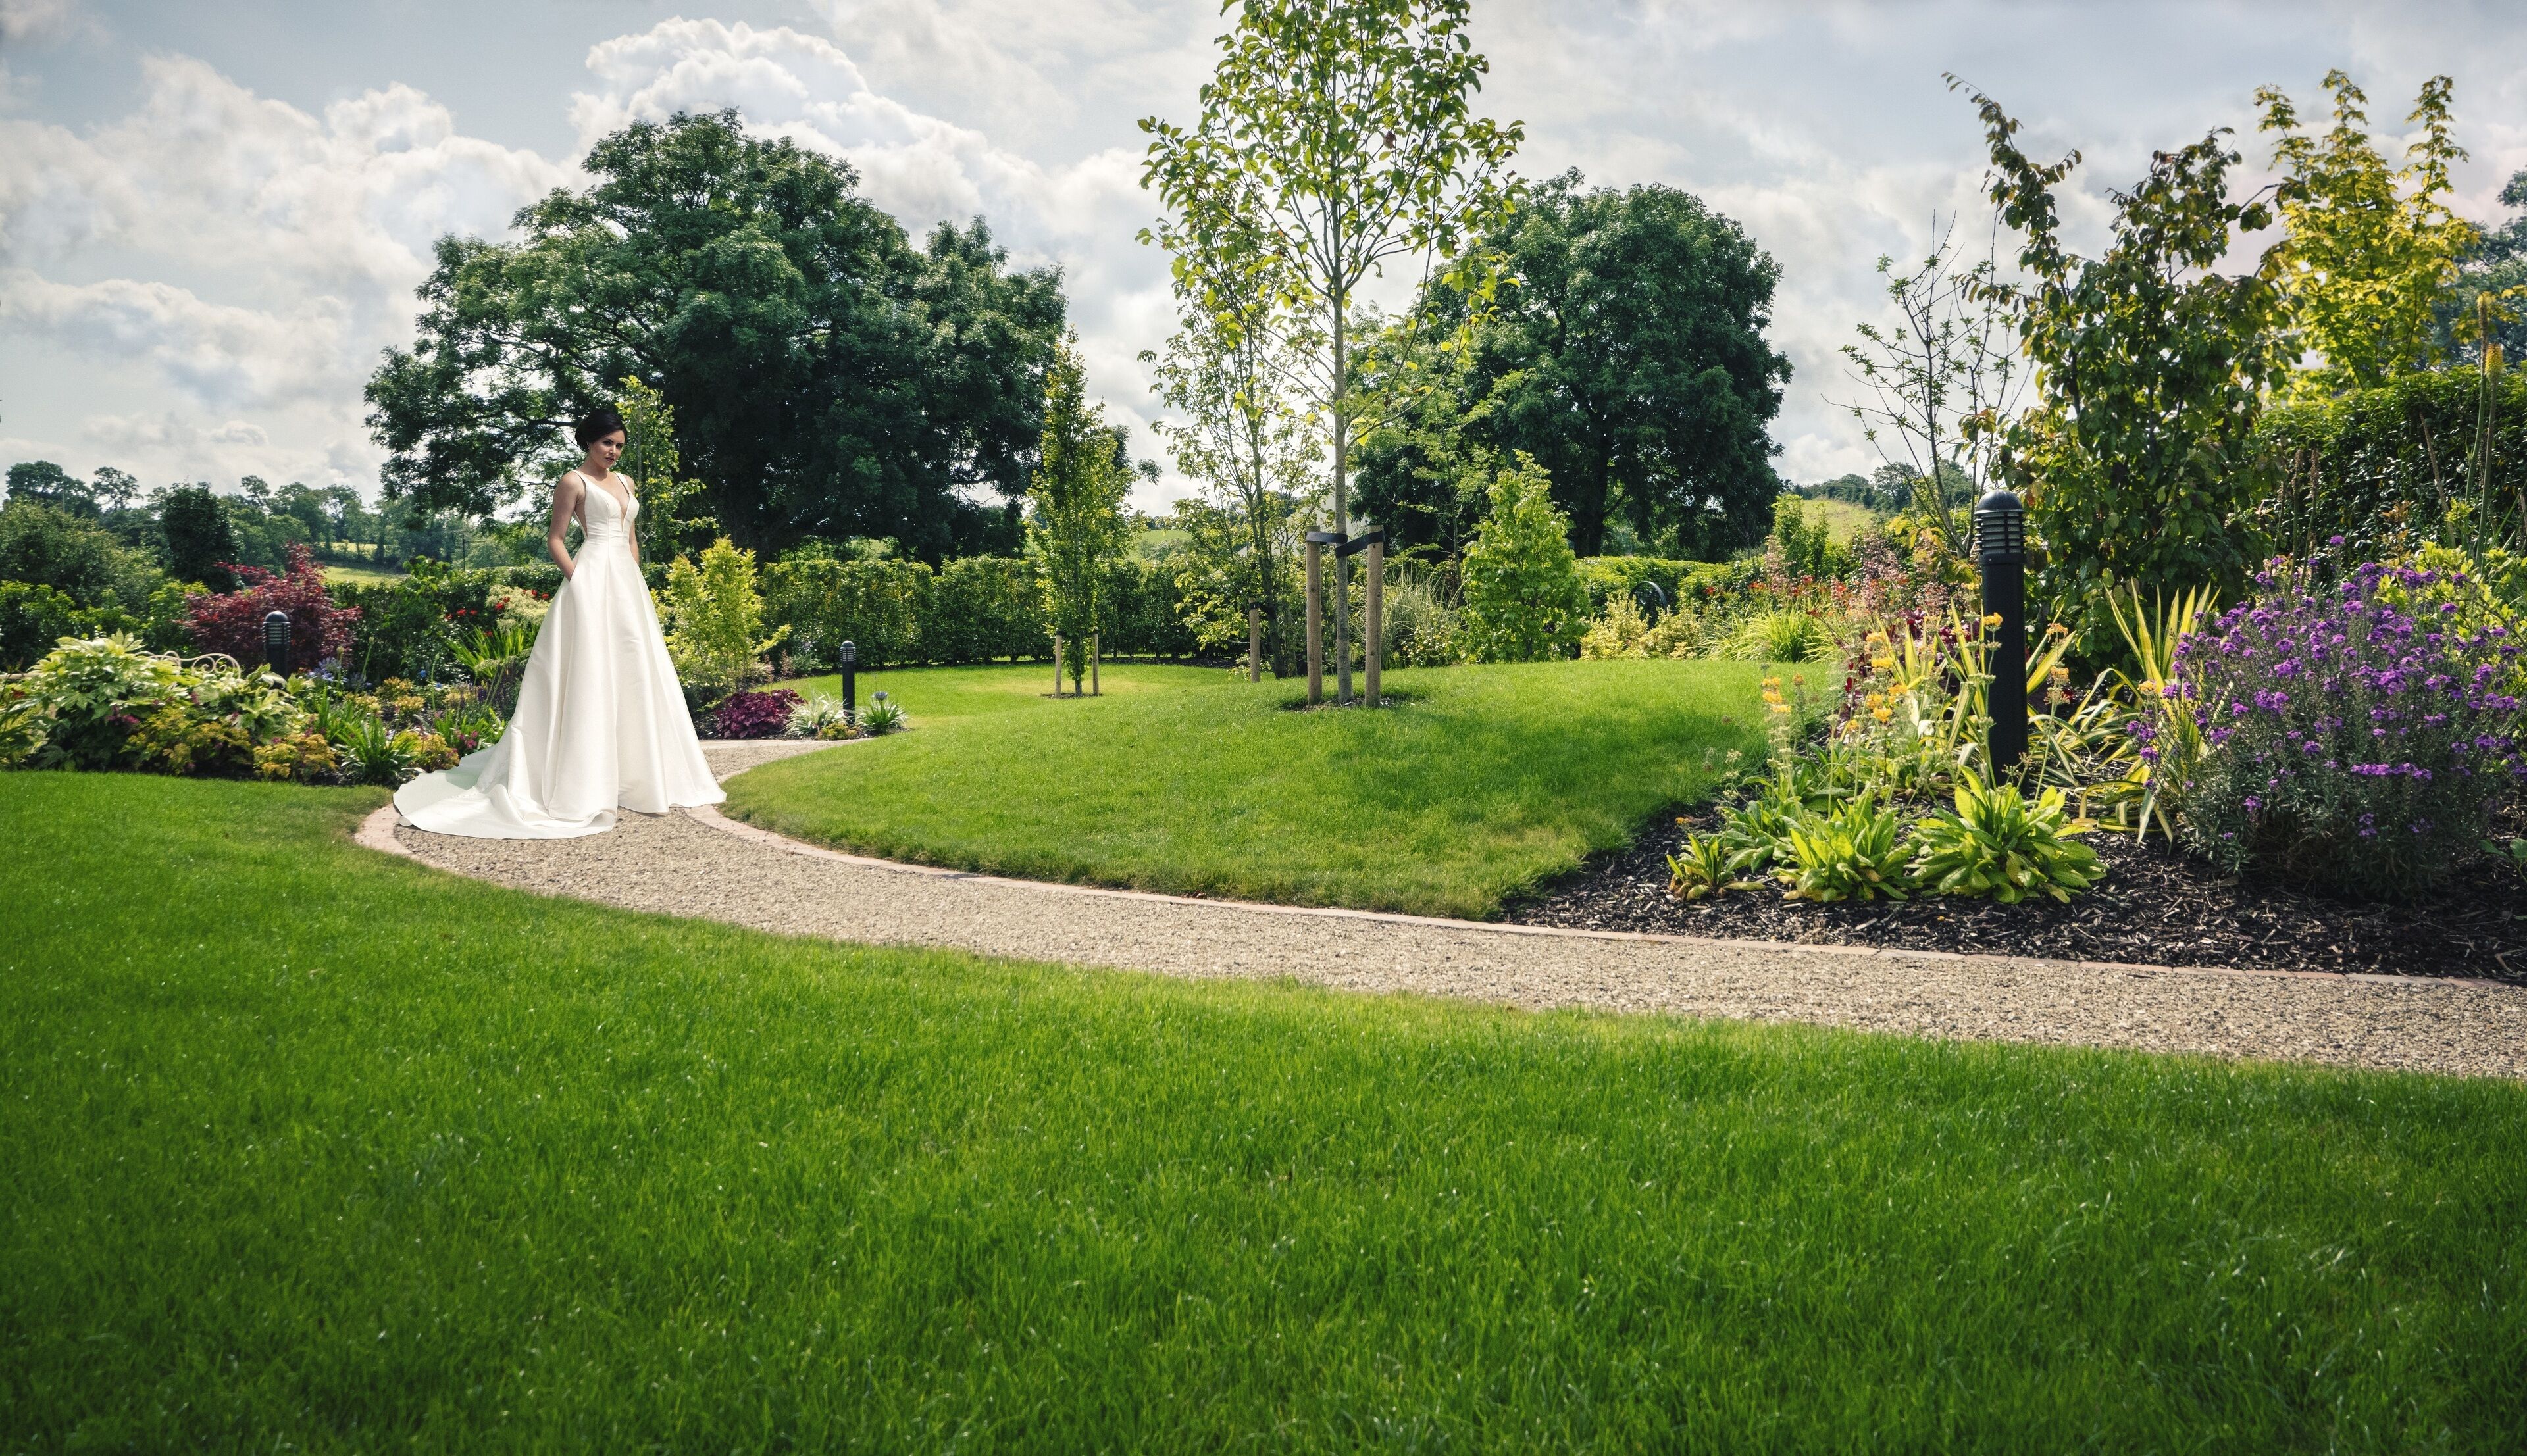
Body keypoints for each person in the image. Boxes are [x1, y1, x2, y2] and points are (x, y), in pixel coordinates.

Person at [395, 407, 723, 838]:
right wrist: (579, 581)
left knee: (636, 673)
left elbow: (631, 538)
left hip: (627, 586)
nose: (614, 452)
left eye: (620, 445)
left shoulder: (627, 482)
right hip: (589, 579)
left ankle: (640, 779)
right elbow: (555, 538)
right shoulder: (573, 481)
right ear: (590, 440)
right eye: (608, 443)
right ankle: (580, 781)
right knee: (589, 673)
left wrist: (634, 582)